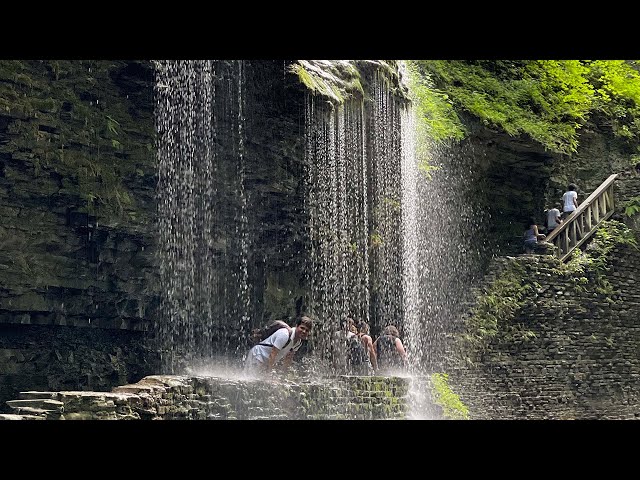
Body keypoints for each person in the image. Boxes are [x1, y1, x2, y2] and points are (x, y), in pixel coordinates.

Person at [243, 315, 313, 376]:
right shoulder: (284, 334)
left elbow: (288, 359)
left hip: (266, 362)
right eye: (302, 328)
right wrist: (269, 375)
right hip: (258, 355)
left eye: (307, 330)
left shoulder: (298, 342)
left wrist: (283, 376)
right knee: (250, 379)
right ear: (297, 326)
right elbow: (273, 354)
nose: (304, 331)